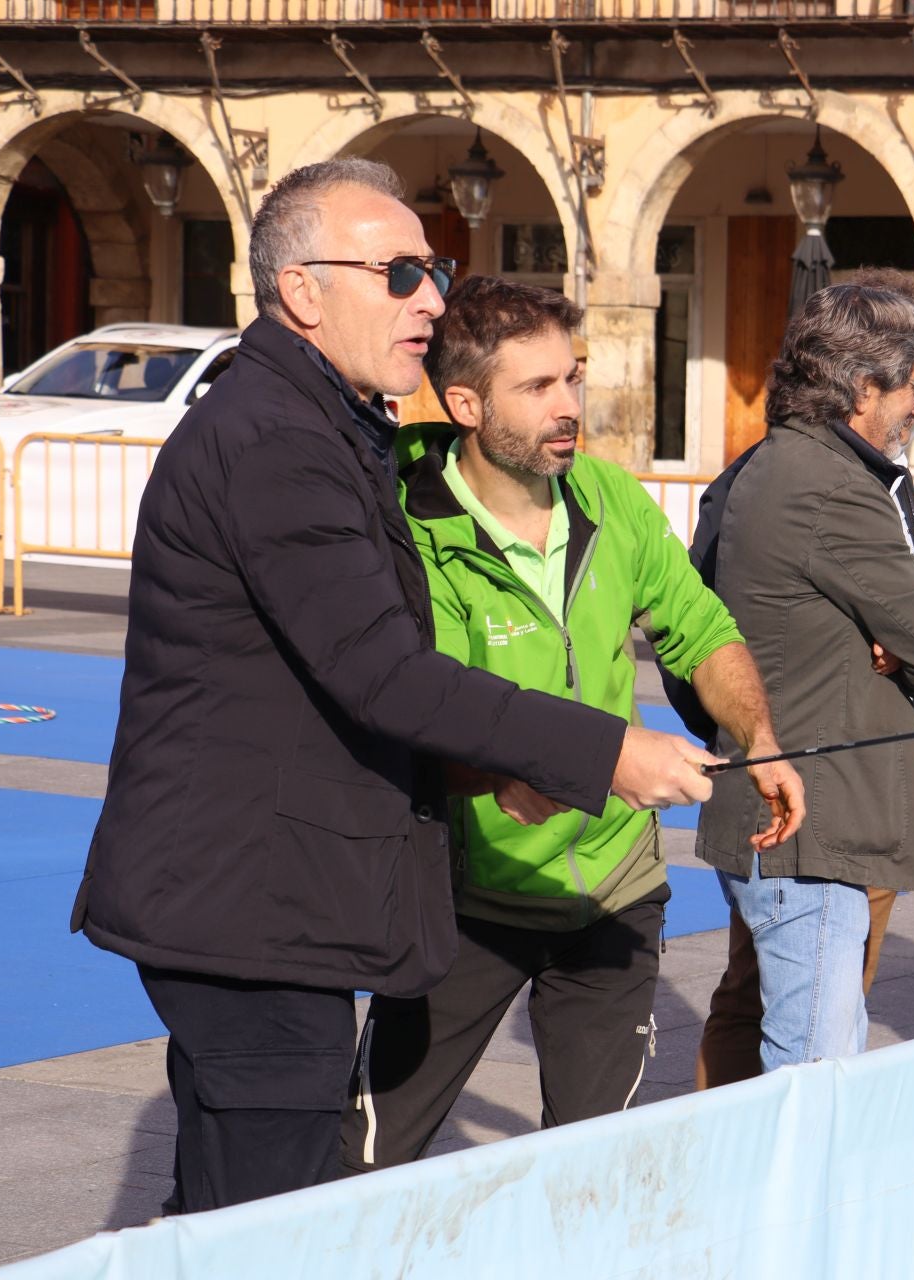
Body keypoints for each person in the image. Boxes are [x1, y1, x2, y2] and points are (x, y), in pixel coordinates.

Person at [71, 158, 715, 1215]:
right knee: (267, 1231)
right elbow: (383, 672)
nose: (432, 296)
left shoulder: (326, 424)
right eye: (402, 271)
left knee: (224, 1220)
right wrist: (605, 749)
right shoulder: (277, 438)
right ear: (305, 293)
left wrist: (488, 769)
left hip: (265, 904)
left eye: (437, 268)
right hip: (248, 910)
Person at [339, 276, 805, 1169]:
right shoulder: (402, 523)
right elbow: (393, 703)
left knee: (591, 1175)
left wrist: (760, 738)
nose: (569, 409)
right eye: (538, 388)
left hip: (613, 899)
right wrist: (490, 776)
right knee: (359, 1165)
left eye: (573, 379)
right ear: (466, 402)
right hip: (462, 905)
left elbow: (704, 631)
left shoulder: (610, 498)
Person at [691, 273, 914, 1073]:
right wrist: (894, 642)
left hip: (801, 804)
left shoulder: (781, 463)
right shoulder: (828, 485)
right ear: (861, 386)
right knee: (812, 1068)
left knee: (781, 1027)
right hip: (810, 821)